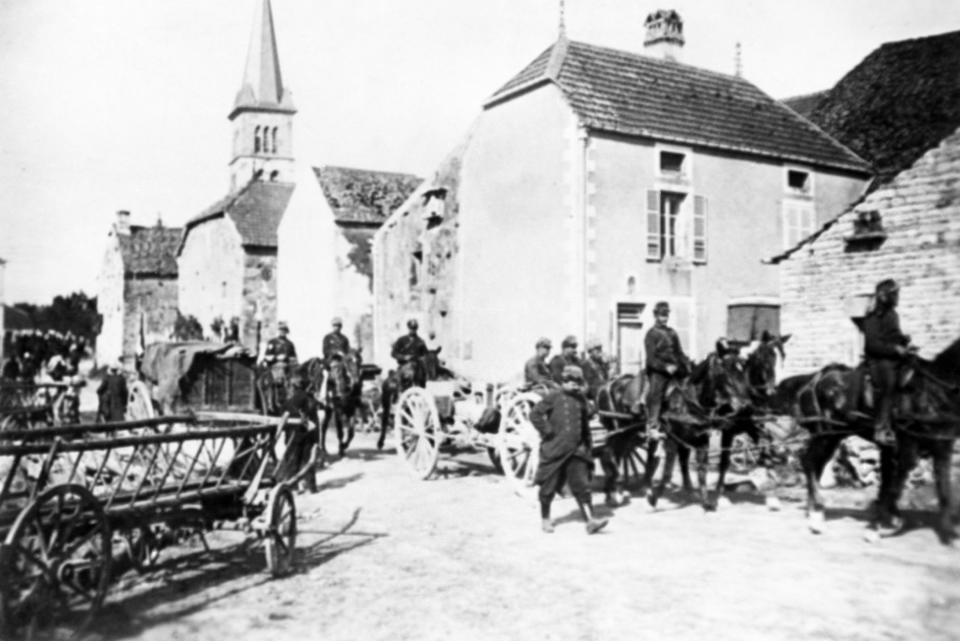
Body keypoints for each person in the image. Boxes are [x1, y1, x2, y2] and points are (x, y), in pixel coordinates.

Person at [530, 365, 609, 535]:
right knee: (548, 487)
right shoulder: (553, 396)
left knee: (582, 486)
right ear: (563, 381)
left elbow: (586, 418)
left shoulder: (580, 398)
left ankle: (590, 521)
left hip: (576, 449)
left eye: (578, 382)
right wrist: (546, 430)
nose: (575, 385)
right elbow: (535, 414)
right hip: (555, 448)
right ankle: (545, 519)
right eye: (571, 382)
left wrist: (587, 443)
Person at [861, 278, 914, 445]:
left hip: (892, 358)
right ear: (884, 296)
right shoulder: (873, 317)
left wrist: (903, 341)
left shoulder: (892, 314)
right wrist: (895, 349)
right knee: (889, 383)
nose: (897, 297)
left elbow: (892, 335)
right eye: (894, 294)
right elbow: (872, 344)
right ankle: (881, 428)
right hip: (878, 361)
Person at [644, 301, 690, 441]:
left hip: (675, 368)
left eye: (666, 315)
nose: (664, 318)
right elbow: (651, 359)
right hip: (658, 370)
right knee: (656, 393)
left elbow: (679, 352)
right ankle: (652, 426)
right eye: (661, 315)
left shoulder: (672, 333)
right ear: (655, 315)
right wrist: (665, 367)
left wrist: (686, 364)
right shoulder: (651, 334)